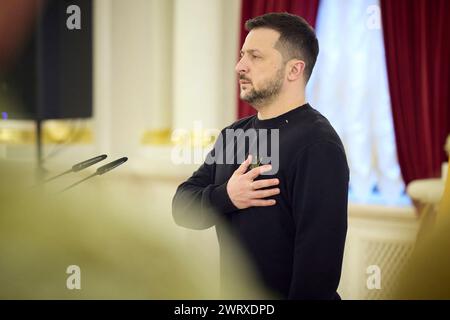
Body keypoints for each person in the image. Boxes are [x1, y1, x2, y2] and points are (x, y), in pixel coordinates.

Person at [172, 12, 349, 300]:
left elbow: (318, 274)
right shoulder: (234, 134)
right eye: (242, 55)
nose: (239, 66)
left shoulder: (318, 145)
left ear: (294, 70)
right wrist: (228, 196)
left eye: (255, 56)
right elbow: (182, 208)